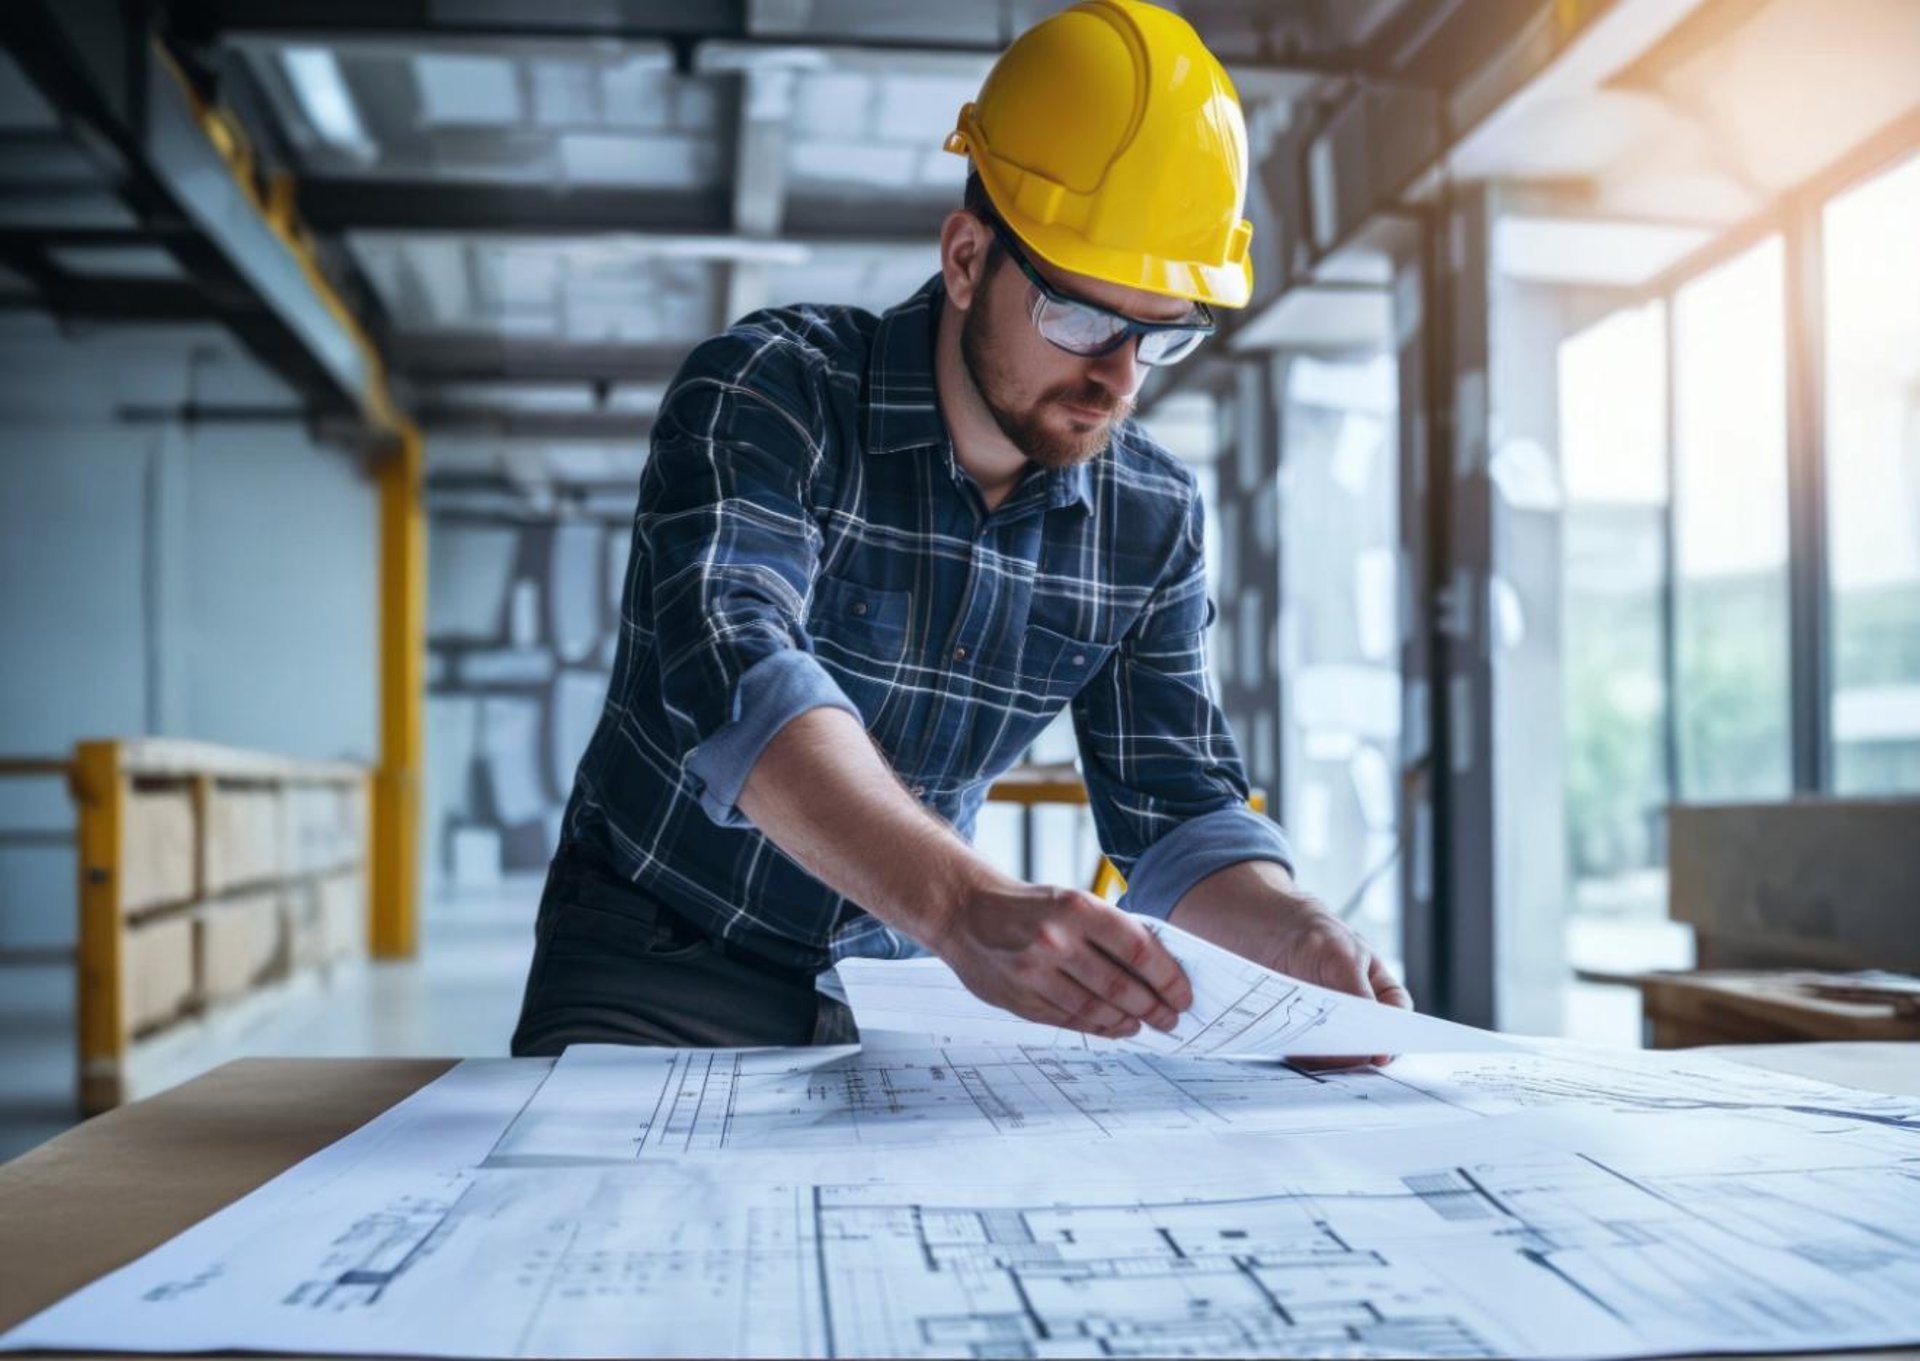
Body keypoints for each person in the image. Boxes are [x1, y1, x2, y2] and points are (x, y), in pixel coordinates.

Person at [511, 0, 1410, 1058]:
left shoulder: (1150, 517)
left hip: (899, 996)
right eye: (1081, 317)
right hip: (660, 955)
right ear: (968, 257)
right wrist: (963, 904)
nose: (1116, 378)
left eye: (1160, 337)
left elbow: (1175, 805)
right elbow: (734, 667)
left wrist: (1293, 931)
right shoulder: (772, 391)